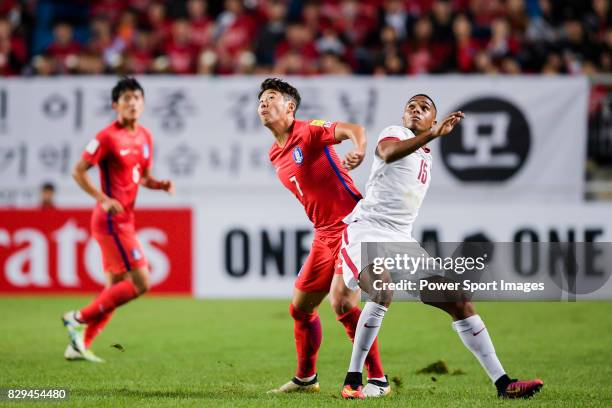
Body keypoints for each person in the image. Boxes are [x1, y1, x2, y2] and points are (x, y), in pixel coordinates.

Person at [338, 94, 544, 399]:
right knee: (381, 289)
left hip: (402, 241)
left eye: (424, 108)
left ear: (434, 120)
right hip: (367, 232)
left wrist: (430, 138)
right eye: (411, 106)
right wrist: (431, 133)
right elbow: (386, 152)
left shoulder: (426, 156)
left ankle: (503, 383)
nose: (415, 110)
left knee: (458, 299)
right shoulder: (395, 134)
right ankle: (354, 379)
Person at [258, 78, 389, 397]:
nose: (263, 103)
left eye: (271, 98)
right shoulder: (275, 153)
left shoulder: (309, 130)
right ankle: (306, 379)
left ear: (290, 107)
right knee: (300, 308)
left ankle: (378, 380)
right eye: (260, 99)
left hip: (351, 225)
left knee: (342, 302)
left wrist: (359, 149)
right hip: (323, 235)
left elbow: (353, 129)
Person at [62, 77, 174, 362]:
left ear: (143, 103)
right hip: (111, 221)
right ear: (115, 105)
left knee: (114, 290)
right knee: (141, 282)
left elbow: (143, 177)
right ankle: (77, 318)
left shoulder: (145, 136)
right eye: (126, 99)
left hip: (126, 219)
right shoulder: (107, 137)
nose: (132, 103)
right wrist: (103, 198)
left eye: (137, 98)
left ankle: (80, 345)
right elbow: (78, 171)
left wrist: (158, 184)